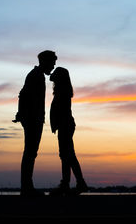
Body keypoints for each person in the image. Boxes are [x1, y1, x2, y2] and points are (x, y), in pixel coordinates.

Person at [13, 50, 57, 197]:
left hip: (34, 119)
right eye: (52, 63)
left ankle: (27, 187)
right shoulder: (35, 76)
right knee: (30, 153)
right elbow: (23, 95)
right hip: (32, 120)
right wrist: (22, 115)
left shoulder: (37, 76)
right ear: (45, 62)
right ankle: (26, 188)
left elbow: (23, 95)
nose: (53, 66)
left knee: (31, 153)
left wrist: (21, 114)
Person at [49, 67, 88, 195]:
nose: (53, 74)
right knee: (66, 156)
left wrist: (56, 123)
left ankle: (76, 183)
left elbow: (60, 110)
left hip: (65, 125)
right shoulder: (62, 90)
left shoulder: (63, 91)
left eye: (56, 73)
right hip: (65, 125)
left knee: (68, 155)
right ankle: (68, 184)